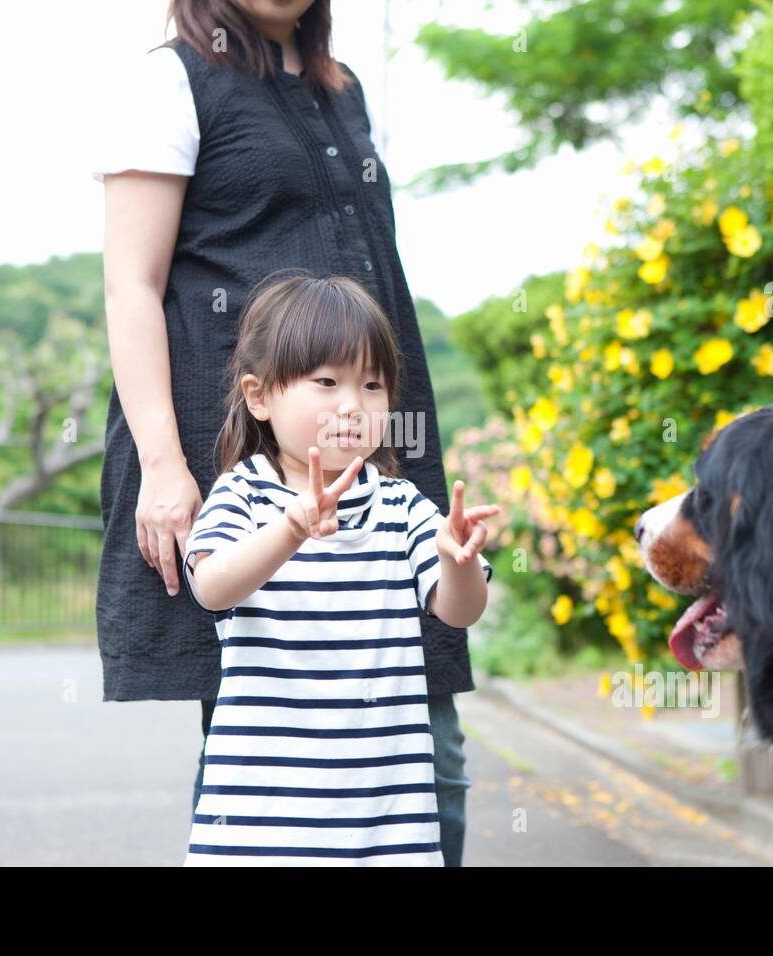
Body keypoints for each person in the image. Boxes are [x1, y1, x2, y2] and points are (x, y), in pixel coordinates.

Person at [93, 0, 484, 865]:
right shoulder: (172, 79)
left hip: (372, 439)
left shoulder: (341, 89)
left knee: (427, 730)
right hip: (240, 445)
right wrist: (163, 463)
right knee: (259, 723)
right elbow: (132, 285)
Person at [179, 272, 497, 865]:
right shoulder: (244, 494)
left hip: (384, 820)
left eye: (372, 385)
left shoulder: (400, 504)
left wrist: (459, 560)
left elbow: (460, 611)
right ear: (259, 396)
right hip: (259, 816)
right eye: (326, 381)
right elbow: (213, 586)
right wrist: (291, 528)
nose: (352, 405)